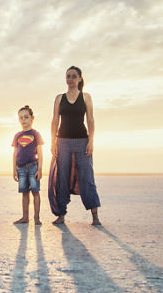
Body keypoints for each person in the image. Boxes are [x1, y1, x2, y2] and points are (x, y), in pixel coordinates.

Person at [49, 65, 101, 225]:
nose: (70, 79)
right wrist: (53, 142)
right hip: (62, 141)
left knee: (87, 177)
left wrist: (91, 141)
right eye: (68, 76)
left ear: (79, 78)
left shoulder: (86, 97)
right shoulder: (59, 98)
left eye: (73, 76)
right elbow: (55, 120)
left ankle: (95, 216)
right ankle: (61, 215)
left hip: (82, 141)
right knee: (61, 178)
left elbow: (91, 120)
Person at [12, 105, 44, 225]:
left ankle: (36, 218)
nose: (23, 120)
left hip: (33, 167)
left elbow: (40, 153)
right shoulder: (17, 135)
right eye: (21, 118)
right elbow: (15, 153)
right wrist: (14, 169)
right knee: (24, 193)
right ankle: (25, 217)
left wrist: (40, 169)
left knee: (35, 192)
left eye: (26, 117)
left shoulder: (35, 134)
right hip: (20, 168)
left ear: (32, 118)